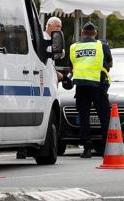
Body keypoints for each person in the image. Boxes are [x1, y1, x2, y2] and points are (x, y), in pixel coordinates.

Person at [69, 21, 113, 158]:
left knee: (84, 117)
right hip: (98, 85)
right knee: (104, 116)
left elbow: (71, 67)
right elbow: (110, 63)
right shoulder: (102, 46)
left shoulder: (74, 47)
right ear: (95, 34)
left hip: (81, 85)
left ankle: (87, 149)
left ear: (82, 33)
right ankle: (106, 147)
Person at [43, 16, 64, 82]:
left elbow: (50, 64)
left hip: (49, 78)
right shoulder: (43, 38)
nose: (59, 29)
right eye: (57, 26)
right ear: (49, 26)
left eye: (60, 27)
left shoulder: (53, 40)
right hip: (45, 78)